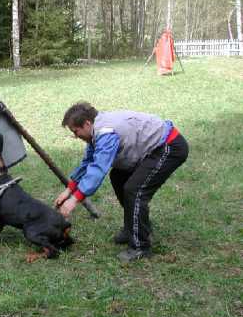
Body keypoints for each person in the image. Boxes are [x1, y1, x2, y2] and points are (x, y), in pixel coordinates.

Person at [55, 102, 189, 262]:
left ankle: (140, 247)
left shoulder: (105, 133)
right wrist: (68, 190)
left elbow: (98, 169)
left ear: (87, 123)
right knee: (118, 176)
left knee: (135, 190)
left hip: (169, 147)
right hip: (153, 149)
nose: (76, 136)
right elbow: (88, 162)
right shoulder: (95, 132)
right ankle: (132, 228)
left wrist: (74, 200)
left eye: (76, 132)